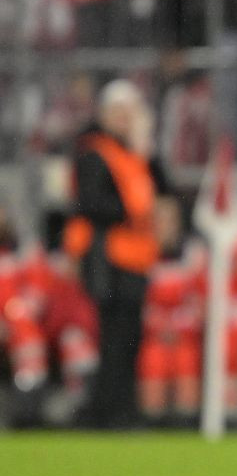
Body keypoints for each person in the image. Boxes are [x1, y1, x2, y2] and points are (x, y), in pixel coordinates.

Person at [63, 79, 164, 429]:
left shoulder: (136, 152)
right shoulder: (94, 152)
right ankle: (106, 410)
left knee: (130, 336)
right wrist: (131, 212)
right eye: (119, 112)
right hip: (108, 258)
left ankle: (122, 407)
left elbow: (162, 187)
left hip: (136, 259)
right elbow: (90, 203)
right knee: (112, 337)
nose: (125, 119)